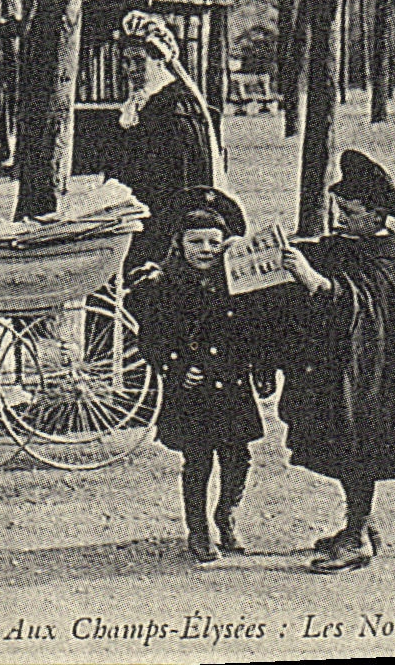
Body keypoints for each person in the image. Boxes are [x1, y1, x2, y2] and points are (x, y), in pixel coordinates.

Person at [278, 150, 395, 575]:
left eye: (349, 211)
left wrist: (314, 280)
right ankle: (358, 523)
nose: (340, 218)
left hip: (374, 371)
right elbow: (325, 252)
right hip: (348, 364)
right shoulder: (354, 244)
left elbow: (360, 300)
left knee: (358, 446)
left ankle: (358, 537)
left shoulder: (382, 254)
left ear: (376, 214)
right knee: (344, 445)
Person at [127, 188, 276, 564]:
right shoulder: (163, 285)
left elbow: (256, 330)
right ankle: (198, 529)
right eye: (196, 242)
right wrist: (176, 366)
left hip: (232, 383)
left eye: (214, 241)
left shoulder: (239, 283)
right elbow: (151, 337)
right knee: (198, 460)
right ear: (179, 243)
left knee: (238, 457)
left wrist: (262, 368)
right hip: (193, 390)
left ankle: (225, 515)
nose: (206, 249)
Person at [108, 20, 213, 268]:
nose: (131, 69)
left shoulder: (178, 105)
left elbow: (192, 171)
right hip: (138, 212)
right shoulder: (138, 104)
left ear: (159, 59)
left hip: (167, 216)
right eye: (126, 61)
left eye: (138, 60)